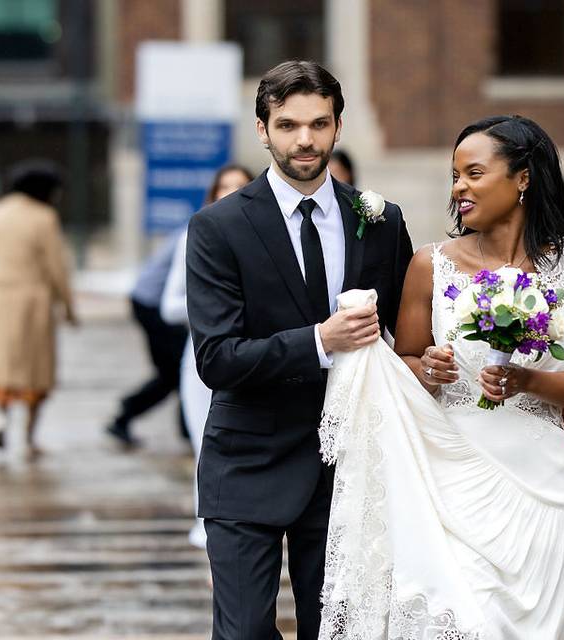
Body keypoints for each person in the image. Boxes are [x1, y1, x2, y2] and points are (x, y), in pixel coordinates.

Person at [317, 115, 564, 638]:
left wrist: (528, 381)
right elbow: (406, 358)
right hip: (448, 475)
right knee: (462, 622)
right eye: (455, 176)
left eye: (473, 173)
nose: (459, 188)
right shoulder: (431, 265)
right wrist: (428, 369)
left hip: (540, 485)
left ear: (522, 177)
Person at [185, 60, 414, 640]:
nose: (305, 139)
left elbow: (410, 339)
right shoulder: (217, 227)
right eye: (287, 125)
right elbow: (217, 359)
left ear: (339, 125)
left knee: (333, 631)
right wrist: (320, 341)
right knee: (241, 634)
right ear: (262, 130)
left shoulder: (381, 221)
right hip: (246, 461)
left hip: (345, 469)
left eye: (319, 123)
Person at [161, 163, 254, 550]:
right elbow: (169, 306)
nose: (231, 193)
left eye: (241, 187)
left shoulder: (266, 236)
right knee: (207, 441)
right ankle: (210, 526)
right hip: (204, 356)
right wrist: (216, 308)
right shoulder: (196, 234)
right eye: (224, 187)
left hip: (256, 355)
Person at [0, 160, 77, 461]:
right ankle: (29, 437)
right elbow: (56, 267)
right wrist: (68, 306)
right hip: (33, 303)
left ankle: (0, 416)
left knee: (3, 368)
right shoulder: (44, 218)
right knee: (36, 372)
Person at [104, 229, 190, 448]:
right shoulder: (200, 230)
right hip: (152, 304)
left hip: (147, 301)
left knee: (175, 371)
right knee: (179, 369)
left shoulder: (195, 226)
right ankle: (128, 413)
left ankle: (127, 414)